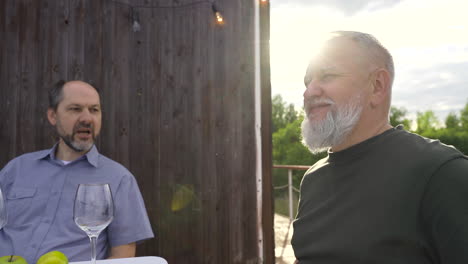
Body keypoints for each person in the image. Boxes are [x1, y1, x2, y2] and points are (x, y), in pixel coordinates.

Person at [291, 31, 468, 263]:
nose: (308, 92)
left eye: (327, 76)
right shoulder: (313, 179)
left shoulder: (440, 173)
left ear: (377, 86)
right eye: (307, 81)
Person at [0, 80, 154, 263]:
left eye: (94, 110)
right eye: (75, 109)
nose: (87, 118)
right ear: (53, 116)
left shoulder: (119, 179)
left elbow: (122, 257)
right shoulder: (17, 169)